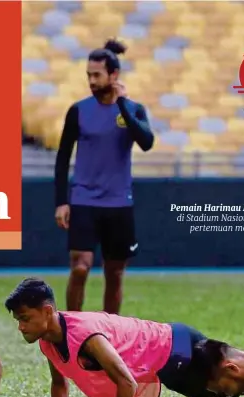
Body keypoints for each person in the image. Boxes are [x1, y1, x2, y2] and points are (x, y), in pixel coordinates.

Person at [3, 278, 235, 397]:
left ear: (46, 311)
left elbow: (127, 383)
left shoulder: (86, 336)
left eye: (25, 318)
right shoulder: (48, 341)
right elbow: (58, 382)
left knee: (229, 385)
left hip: (175, 348)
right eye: (17, 321)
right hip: (170, 351)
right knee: (228, 385)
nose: (21, 327)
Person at [53, 38, 155, 315]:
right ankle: (72, 327)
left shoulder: (133, 110)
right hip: (84, 199)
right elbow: (63, 157)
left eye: (96, 75)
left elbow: (146, 142)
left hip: (119, 202)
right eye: (88, 75)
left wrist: (122, 103)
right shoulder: (78, 110)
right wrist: (62, 201)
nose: (91, 80)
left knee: (115, 273)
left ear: (114, 75)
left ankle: (111, 330)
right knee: (80, 267)